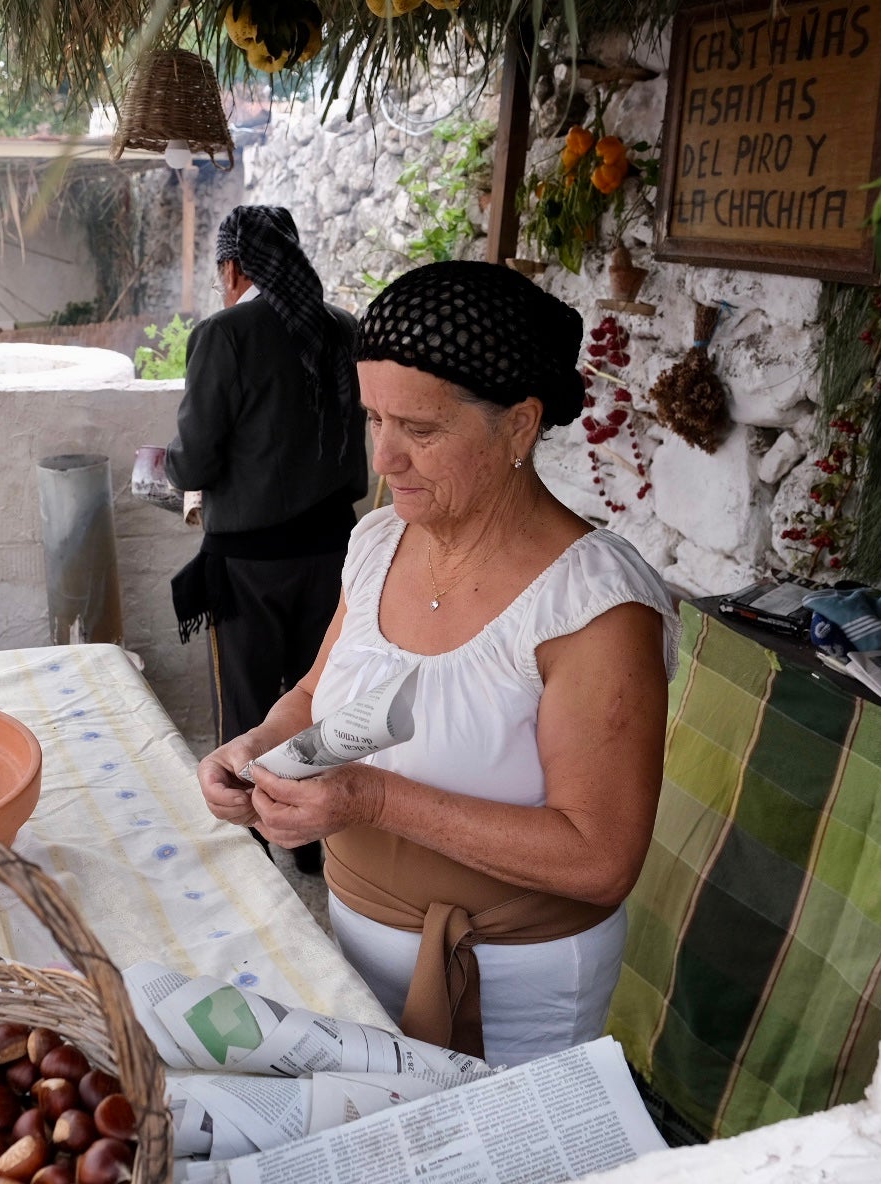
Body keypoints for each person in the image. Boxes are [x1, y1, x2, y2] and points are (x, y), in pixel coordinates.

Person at [195, 261, 680, 1066]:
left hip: (514, 992)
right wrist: (256, 747)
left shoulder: (593, 607)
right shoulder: (380, 541)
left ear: (520, 426)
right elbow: (317, 691)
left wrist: (369, 798)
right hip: (353, 954)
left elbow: (601, 857)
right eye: (374, 419)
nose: (385, 459)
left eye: (420, 431)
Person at [166, 205, 368, 878]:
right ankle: (311, 843)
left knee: (251, 712)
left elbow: (193, 463)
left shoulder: (225, 335)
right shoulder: (342, 328)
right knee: (320, 702)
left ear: (232, 267)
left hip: (249, 566)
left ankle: (256, 852)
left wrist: (163, 468)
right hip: (337, 556)